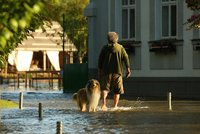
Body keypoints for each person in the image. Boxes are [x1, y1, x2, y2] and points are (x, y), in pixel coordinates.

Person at [98, 32, 131, 111]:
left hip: (106, 72)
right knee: (117, 90)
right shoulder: (120, 48)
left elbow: (100, 60)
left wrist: (99, 70)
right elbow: (126, 58)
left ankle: (103, 105)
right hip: (118, 72)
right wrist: (128, 69)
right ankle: (115, 106)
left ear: (108, 39)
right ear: (117, 38)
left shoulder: (104, 48)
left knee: (105, 89)